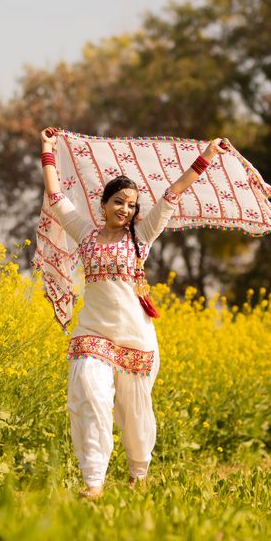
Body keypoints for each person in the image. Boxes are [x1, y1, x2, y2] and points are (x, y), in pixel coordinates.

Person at [39, 126, 230, 499]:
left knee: (133, 412)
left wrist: (207, 156)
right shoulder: (85, 234)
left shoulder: (140, 237)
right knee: (89, 395)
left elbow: (173, 194)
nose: (125, 210)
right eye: (118, 202)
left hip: (134, 338)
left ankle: (138, 473)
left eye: (131, 205)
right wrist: (47, 150)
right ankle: (93, 483)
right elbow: (56, 196)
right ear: (104, 203)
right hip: (92, 333)